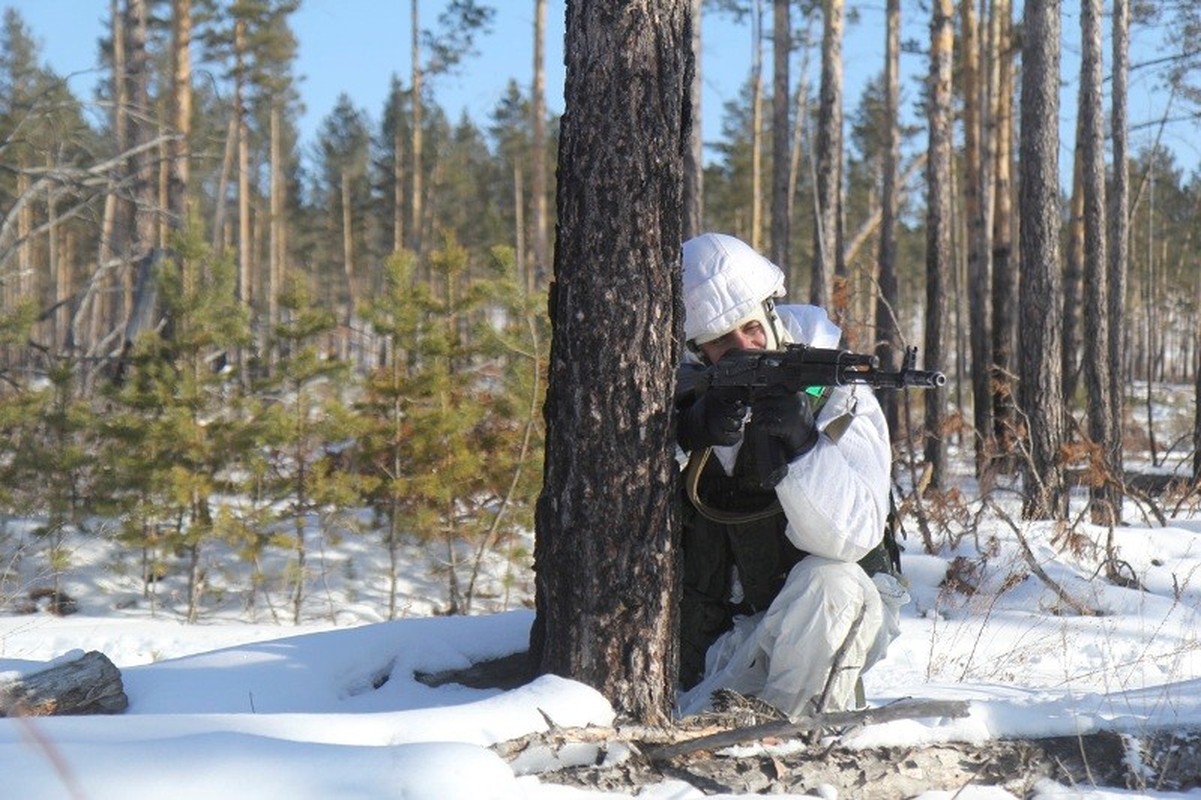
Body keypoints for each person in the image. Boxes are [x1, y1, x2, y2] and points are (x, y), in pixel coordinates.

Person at [674, 232, 909, 718]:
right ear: (699, 353)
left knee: (833, 584)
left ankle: (789, 739)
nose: (744, 348)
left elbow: (853, 540)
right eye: (721, 342)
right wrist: (686, 434)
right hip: (705, 645)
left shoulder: (841, 400)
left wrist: (804, 446)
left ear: (773, 315)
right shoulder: (687, 395)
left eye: (751, 329)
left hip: (808, 634)